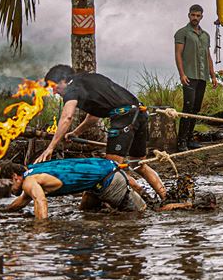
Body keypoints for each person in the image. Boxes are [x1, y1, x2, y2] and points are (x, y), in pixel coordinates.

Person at [38, 64, 166, 200]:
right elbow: (93, 117)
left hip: (123, 118)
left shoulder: (72, 87)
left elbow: (66, 117)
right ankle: (165, 197)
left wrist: (50, 147)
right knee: (138, 164)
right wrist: (75, 133)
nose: (55, 92)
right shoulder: (88, 80)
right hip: (140, 113)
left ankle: (144, 197)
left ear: (63, 80)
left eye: (54, 87)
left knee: (111, 169)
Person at [2, 158, 146, 220]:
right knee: (87, 213)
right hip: (99, 177)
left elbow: (40, 201)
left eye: (6, 184)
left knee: (140, 214)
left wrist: (41, 229)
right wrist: (2, 212)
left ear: (15, 177)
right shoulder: (32, 171)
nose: (7, 190)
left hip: (109, 180)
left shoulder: (29, 182)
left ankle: (166, 208)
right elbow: (21, 201)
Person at [174, 4, 218, 152]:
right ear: (189, 15)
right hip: (189, 75)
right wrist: (182, 74)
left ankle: (190, 138)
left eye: (198, 16)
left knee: (196, 108)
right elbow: (178, 55)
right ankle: (181, 141)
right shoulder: (182, 33)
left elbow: (207, 55)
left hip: (202, 75)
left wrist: (212, 74)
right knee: (188, 106)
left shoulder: (205, 35)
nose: (195, 18)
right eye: (193, 15)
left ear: (201, 17)